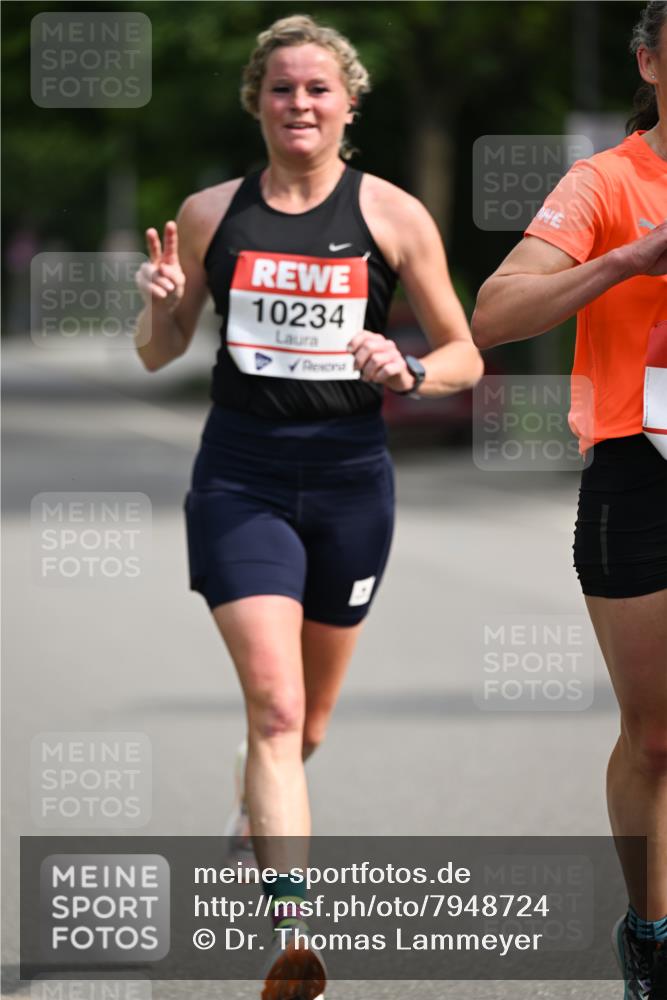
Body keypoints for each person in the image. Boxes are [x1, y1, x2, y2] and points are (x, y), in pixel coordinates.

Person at [135, 14, 483, 998]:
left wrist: (406, 367)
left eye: (317, 89)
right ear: (256, 100)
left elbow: (464, 353)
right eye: (282, 88)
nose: (299, 104)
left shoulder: (393, 215)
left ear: (348, 104)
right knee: (276, 704)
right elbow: (159, 352)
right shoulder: (211, 214)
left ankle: (255, 805)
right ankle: (292, 932)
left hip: (349, 482)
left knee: (309, 720)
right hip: (240, 479)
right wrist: (160, 300)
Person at [472, 3, 667, 997]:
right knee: (657, 737)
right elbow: (493, 314)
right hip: (641, 469)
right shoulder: (605, 182)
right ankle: (651, 932)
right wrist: (626, 260)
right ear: (650, 62)